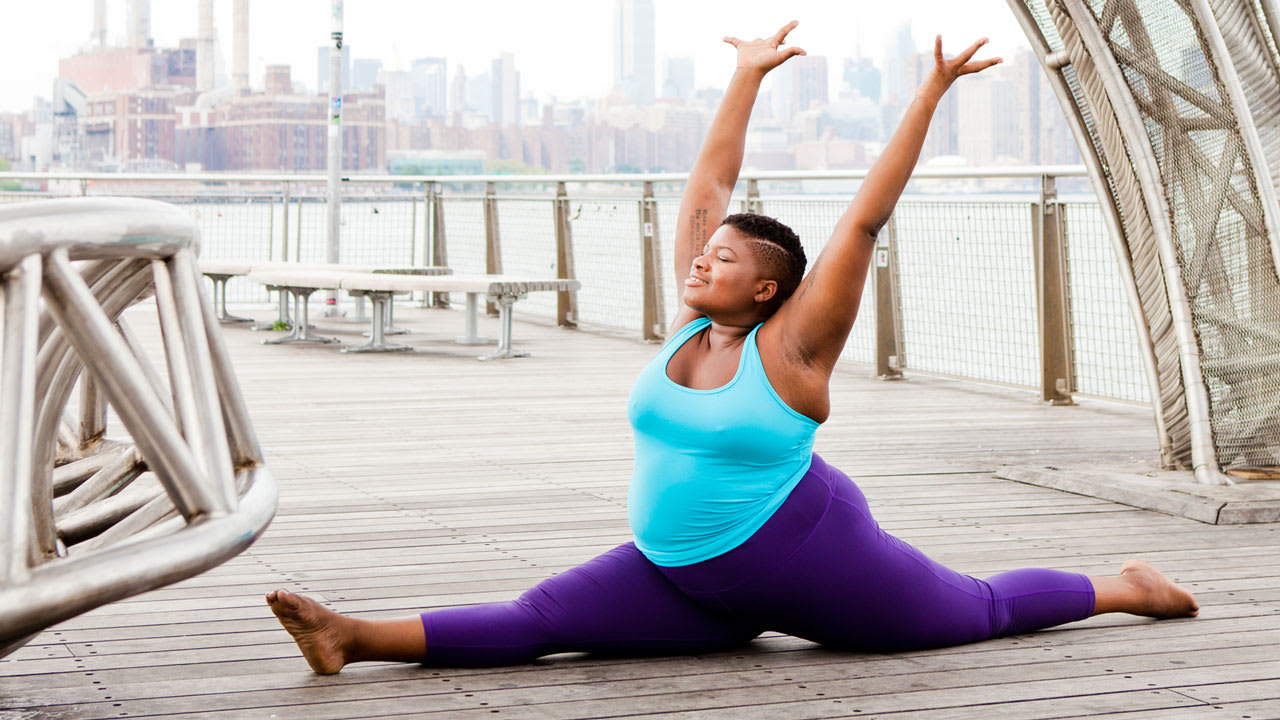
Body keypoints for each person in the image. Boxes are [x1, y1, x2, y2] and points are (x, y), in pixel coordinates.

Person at [266, 22, 1198, 675]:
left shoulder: (794, 351)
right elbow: (710, 177)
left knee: (977, 612)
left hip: (811, 554)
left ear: (767, 288)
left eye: (721, 259)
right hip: (681, 571)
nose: (698, 258)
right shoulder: (688, 322)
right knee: (540, 620)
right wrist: (748, 72)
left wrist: (930, 92)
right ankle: (350, 635)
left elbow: (865, 221)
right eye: (701, 250)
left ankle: (1128, 589)